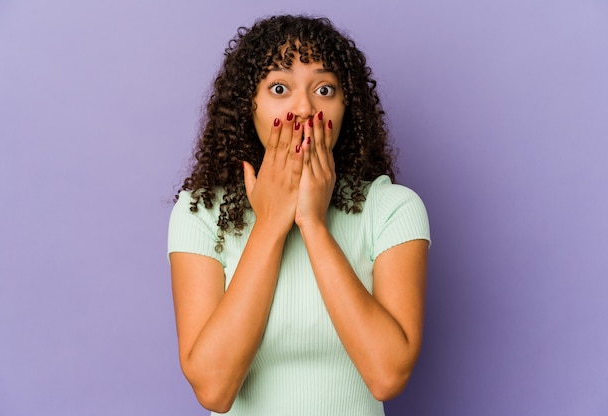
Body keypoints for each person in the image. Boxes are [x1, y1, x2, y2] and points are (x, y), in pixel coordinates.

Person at [167, 14, 430, 416]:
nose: (305, 108)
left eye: (324, 89)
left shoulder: (392, 209)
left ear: (348, 106)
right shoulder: (200, 211)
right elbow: (214, 390)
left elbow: (387, 376)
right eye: (279, 88)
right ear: (247, 106)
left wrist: (314, 224)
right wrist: (271, 223)